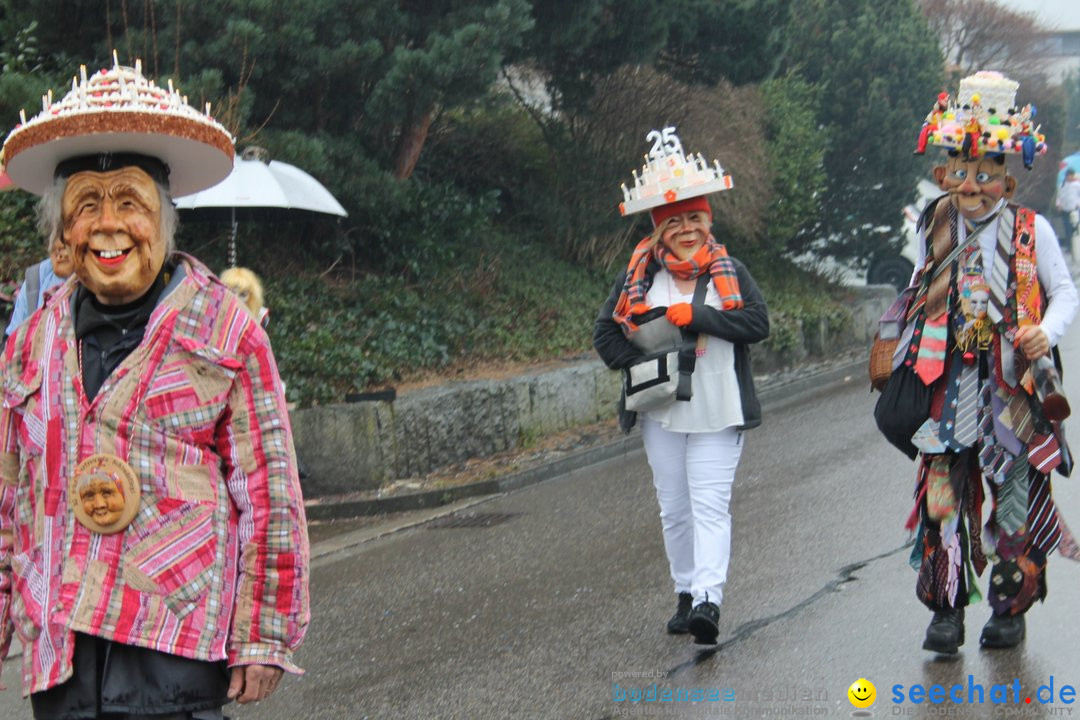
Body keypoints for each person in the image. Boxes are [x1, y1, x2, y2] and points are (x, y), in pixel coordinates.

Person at [0, 58, 309, 718]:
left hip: (175, 647)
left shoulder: (226, 330)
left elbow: (269, 487)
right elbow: (8, 495)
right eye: (87, 206)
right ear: (62, 236)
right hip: (63, 657)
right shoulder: (28, 345)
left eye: (130, 204)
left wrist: (262, 632)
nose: (109, 225)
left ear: (164, 223)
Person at [890, 71, 1078, 655]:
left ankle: (1010, 607)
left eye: (986, 173)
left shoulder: (1034, 230)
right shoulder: (936, 225)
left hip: (1011, 386)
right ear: (945, 173)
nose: (972, 185)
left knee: (1014, 492)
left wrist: (1043, 332)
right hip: (946, 382)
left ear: (1008, 178)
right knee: (941, 494)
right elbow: (918, 289)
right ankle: (946, 610)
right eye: (962, 171)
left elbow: (1066, 291)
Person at [594, 129, 769, 645]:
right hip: (660, 409)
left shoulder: (729, 271)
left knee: (709, 503)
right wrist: (643, 363)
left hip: (718, 404)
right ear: (660, 230)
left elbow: (757, 324)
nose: (687, 229)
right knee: (674, 505)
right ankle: (686, 593)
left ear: (708, 221)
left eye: (696, 218)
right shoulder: (639, 277)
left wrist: (699, 315)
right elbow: (606, 332)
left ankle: (710, 601)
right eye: (676, 222)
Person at [4, 233, 74, 339]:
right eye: (56, 235)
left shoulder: (99, 284)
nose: (60, 246)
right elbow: (11, 341)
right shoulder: (37, 278)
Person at [1056, 168, 1080, 256]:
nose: (1070, 177)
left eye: (1071, 175)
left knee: (1075, 229)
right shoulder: (1062, 185)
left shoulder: (1077, 185)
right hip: (1065, 210)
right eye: (1068, 176)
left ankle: (1076, 247)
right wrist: (1058, 204)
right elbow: (1059, 196)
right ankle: (1069, 247)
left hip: (1075, 210)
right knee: (1067, 229)